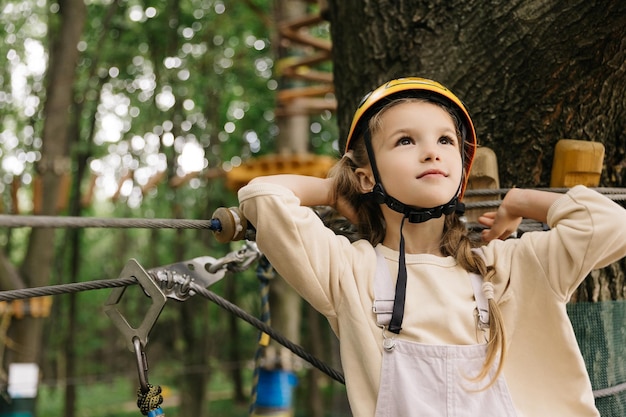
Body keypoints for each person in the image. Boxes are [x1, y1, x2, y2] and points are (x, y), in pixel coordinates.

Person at [237, 77, 626, 416]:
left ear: (461, 169)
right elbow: (263, 197)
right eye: (405, 140)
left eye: (445, 139)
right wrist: (335, 191)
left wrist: (521, 200)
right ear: (366, 175)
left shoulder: (509, 268)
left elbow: (612, 225)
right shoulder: (350, 272)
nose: (431, 151)